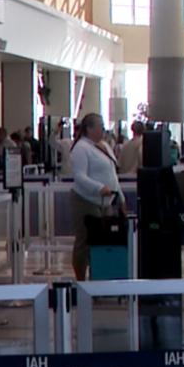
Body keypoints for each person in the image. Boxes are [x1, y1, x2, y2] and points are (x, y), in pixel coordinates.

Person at [69, 113, 122, 281]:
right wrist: (99, 188)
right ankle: (80, 280)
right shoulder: (80, 149)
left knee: (102, 242)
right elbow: (80, 176)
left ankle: (100, 277)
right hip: (85, 201)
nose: (103, 129)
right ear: (89, 129)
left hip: (105, 202)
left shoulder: (104, 146)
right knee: (84, 242)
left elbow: (112, 174)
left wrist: (120, 197)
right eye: (100, 126)